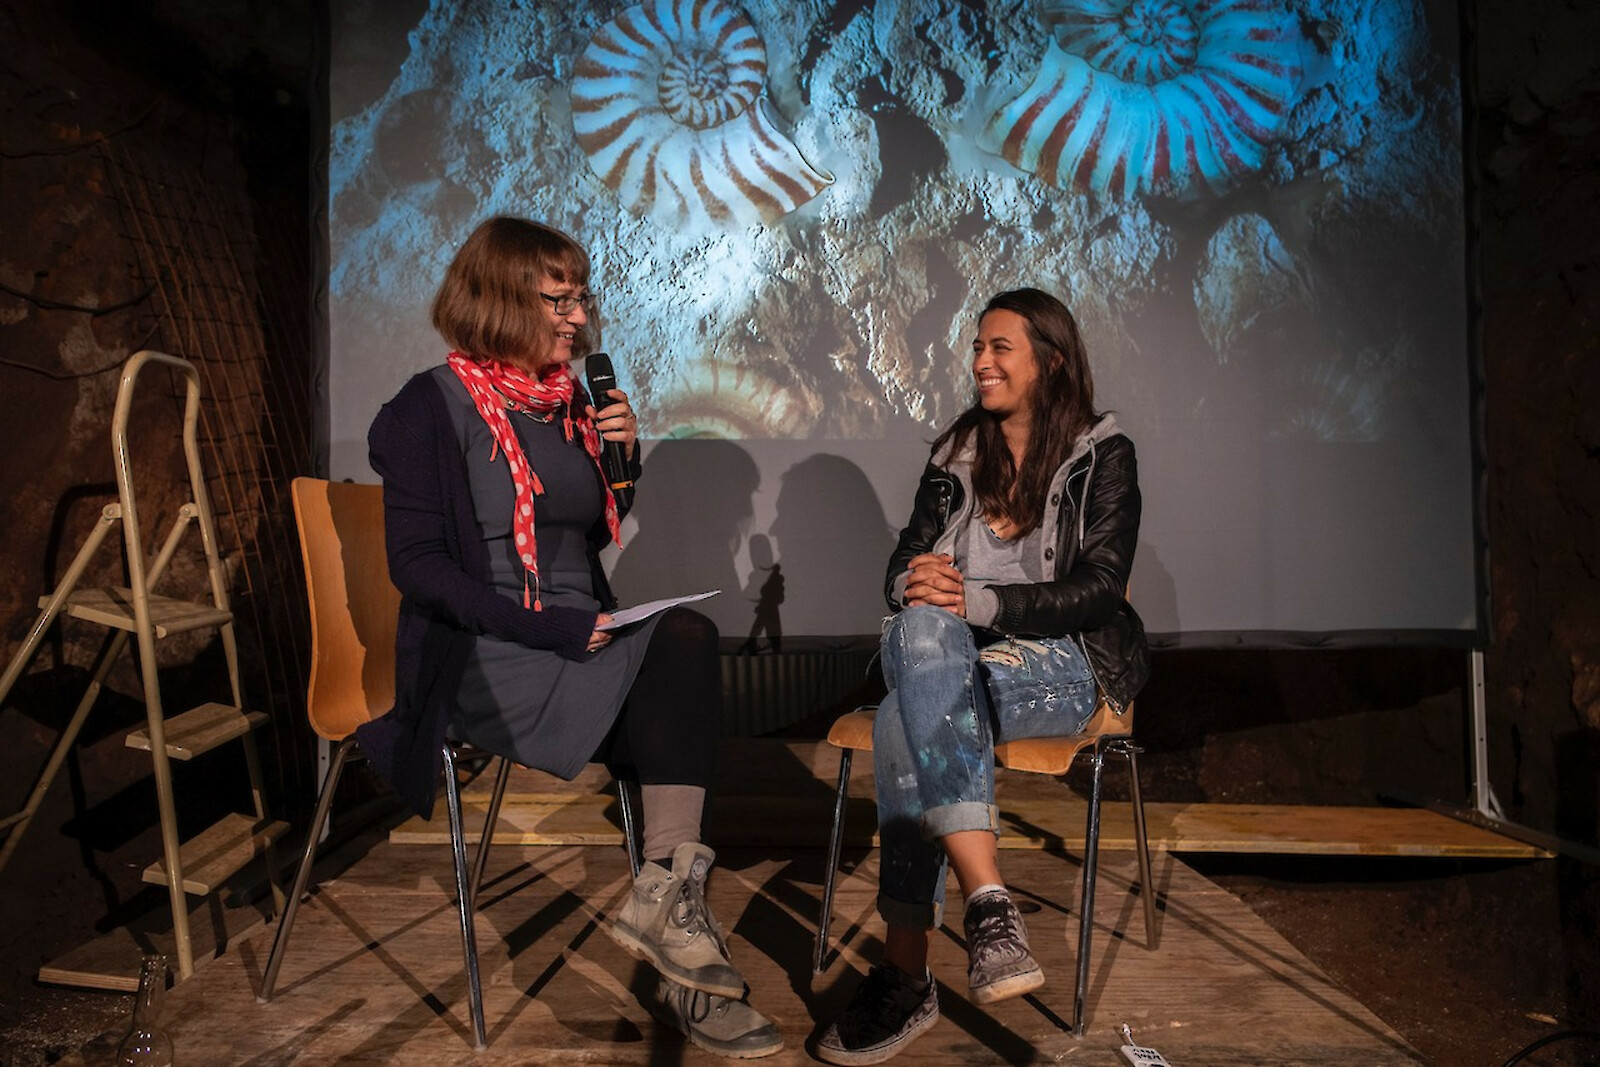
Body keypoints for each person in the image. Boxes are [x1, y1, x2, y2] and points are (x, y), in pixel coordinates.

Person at [362, 216, 781, 1059]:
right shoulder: (426, 408)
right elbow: (420, 569)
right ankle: (684, 954)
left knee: (684, 642)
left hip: (575, 631)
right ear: (500, 298)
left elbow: (582, 537)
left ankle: (670, 911)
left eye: (582, 298)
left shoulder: (569, 404)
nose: (579, 318)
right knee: (675, 670)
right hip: (486, 650)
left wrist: (623, 464)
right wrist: (550, 626)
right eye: (559, 300)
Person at [815, 288, 1151, 1065]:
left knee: (904, 718)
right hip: (947, 652)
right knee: (920, 633)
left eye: (1001, 347)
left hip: (1063, 661)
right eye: (977, 347)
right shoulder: (955, 453)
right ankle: (989, 903)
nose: (981, 362)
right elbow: (903, 562)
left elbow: (1101, 588)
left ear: (1052, 362)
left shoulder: (1103, 453)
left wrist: (979, 600)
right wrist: (916, 581)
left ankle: (906, 975)